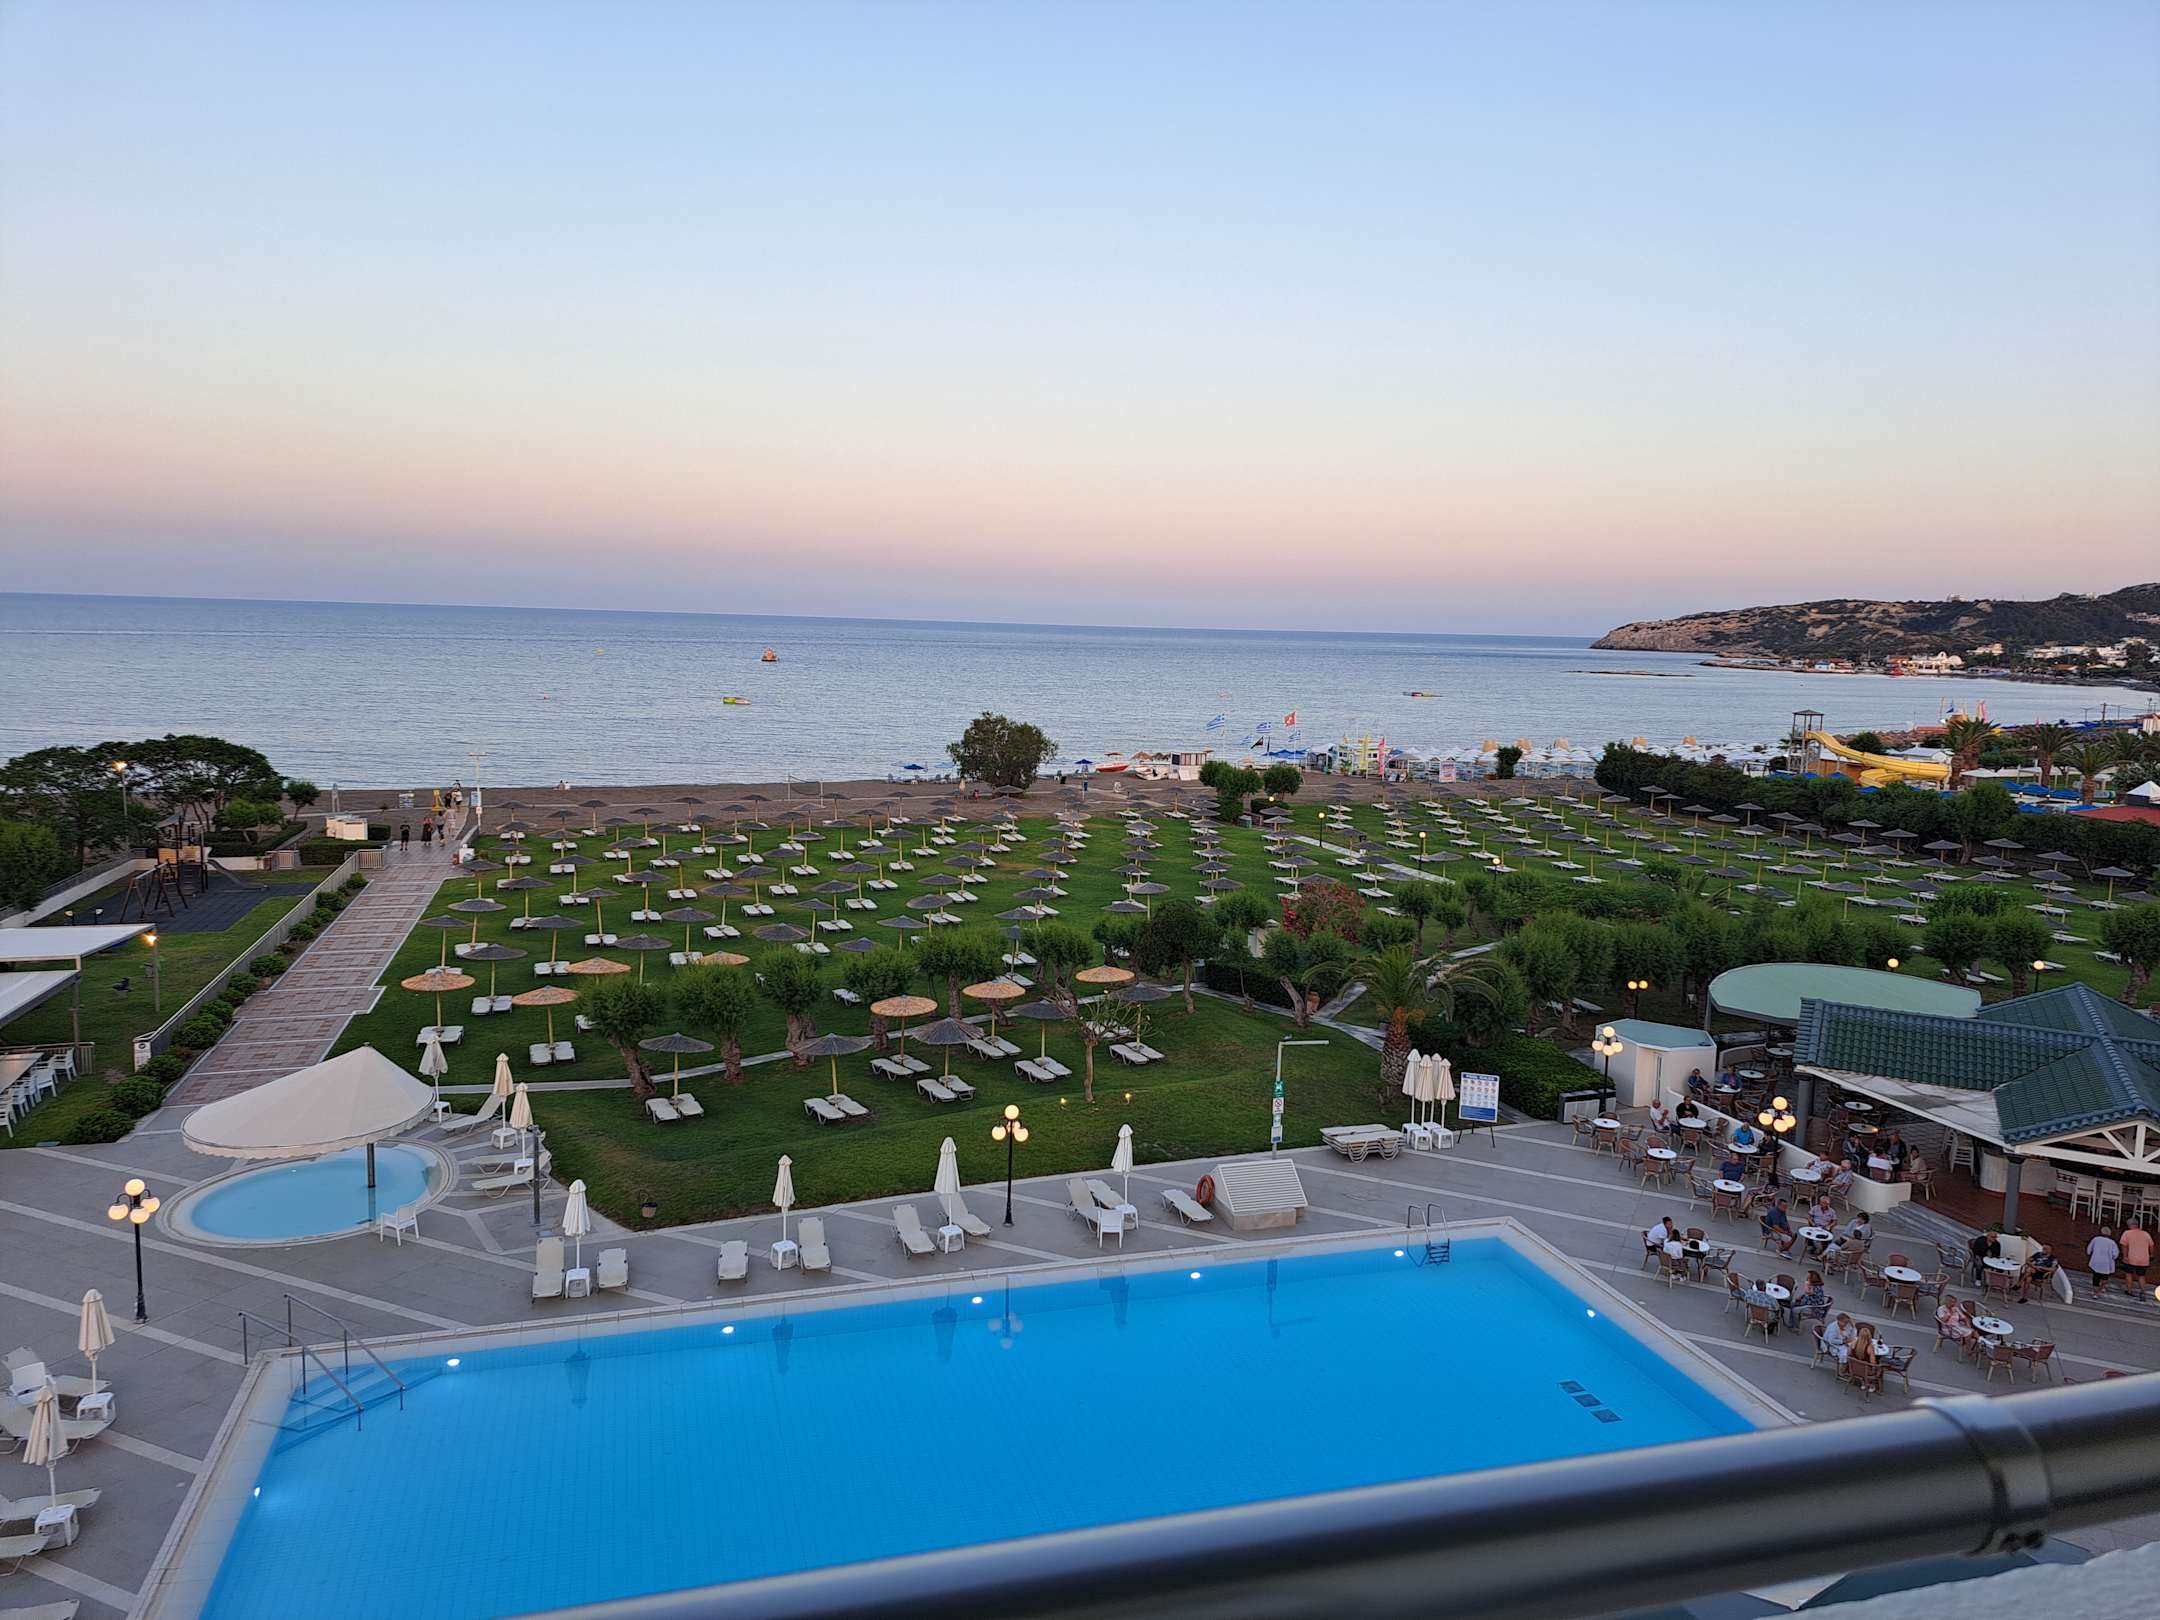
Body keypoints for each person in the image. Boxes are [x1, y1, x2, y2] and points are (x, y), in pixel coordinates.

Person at [2087, 1226, 2121, 1298]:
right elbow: (2115, 1254)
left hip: (2096, 1261)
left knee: (2096, 1277)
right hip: (2107, 1263)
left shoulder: (2096, 1239)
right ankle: (2102, 1288)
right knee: (2105, 1277)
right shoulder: (2112, 1243)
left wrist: (2090, 1253)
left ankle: (2095, 1293)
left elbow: (2089, 1249)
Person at [2119, 1219, 2152, 1289]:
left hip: (2131, 1258)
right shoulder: (2146, 1234)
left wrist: (2125, 1256)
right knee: (2141, 1276)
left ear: (2129, 1225)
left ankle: (2129, 1290)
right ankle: (2143, 1291)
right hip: (2144, 1259)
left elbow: (2124, 1246)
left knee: (2129, 1274)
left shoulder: (2127, 1233)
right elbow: (2151, 1245)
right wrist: (2151, 1255)